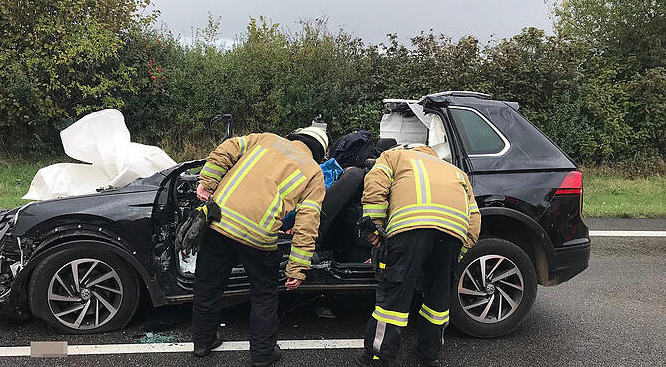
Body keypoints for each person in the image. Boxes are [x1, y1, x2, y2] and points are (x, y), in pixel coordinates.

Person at [191, 127, 328, 366]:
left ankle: (203, 343)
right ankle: (263, 355)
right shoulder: (314, 172)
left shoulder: (266, 139)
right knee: (264, 296)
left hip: (220, 222)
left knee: (208, 286)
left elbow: (227, 147)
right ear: (320, 152)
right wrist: (297, 267)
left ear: (295, 136)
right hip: (259, 237)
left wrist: (208, 182)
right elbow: (307, 223)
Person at [355, 145, 481, 367]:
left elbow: (376, 184)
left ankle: (379, 358)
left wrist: (374, 228)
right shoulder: (454, 170)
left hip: (409, 226)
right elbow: (474, 217)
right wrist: (458, 253)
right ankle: (429, 355)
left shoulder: (395, 156)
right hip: (453, 233)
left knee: (394, 296)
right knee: (438, 298)